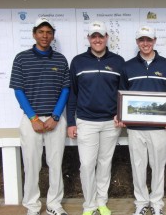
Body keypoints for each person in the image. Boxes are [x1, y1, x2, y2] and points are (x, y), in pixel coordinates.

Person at [9, 17, 70, 215]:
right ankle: (32, 206)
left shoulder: (60, 59)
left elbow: (65, 89)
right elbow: (18, 90)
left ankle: (54, 204)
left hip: (55, 121)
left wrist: (55, 116)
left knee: (55, 164)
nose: (45, 36)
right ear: (34, 34)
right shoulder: (21, 58)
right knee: (31, 164)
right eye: (41, 32)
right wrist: (34, 118)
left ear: (53, 35)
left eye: (49, 32)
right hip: (31, 120)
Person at [115, 25, 166, 215]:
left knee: (158, 166)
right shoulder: (127, 66)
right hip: (135, 128)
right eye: (142, 40)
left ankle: (157, 204)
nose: (145, 43)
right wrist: (121, 115)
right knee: (138, 166)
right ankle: (141, 203)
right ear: (137, 42)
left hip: (159, 129)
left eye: (149, 40)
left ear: (155, 41)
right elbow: (121, 94)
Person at [66, 21, 124, 215]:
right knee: (87, 165)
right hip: (86, 121)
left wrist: (121, 114)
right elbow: (72, 93)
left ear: (107, 37)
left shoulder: (118, 61)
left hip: (111, 122)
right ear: (89, 38)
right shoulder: (78, 61)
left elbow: (122, 93)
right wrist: (71, 122)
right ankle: (89, 205)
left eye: (101, 36)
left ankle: (101, 202)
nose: (97, 39)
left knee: (105, 164)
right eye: (94, 36)